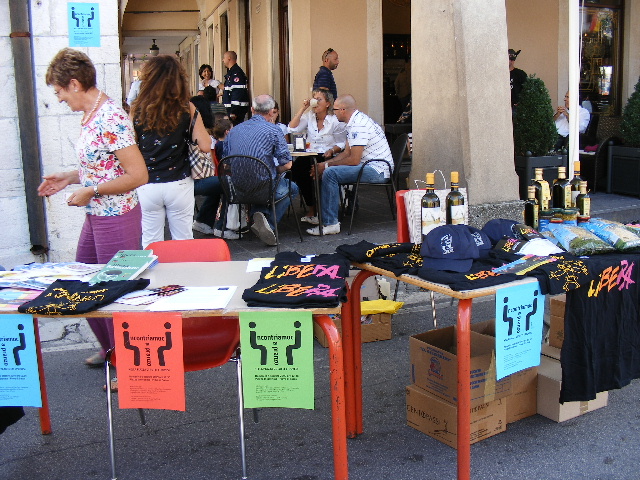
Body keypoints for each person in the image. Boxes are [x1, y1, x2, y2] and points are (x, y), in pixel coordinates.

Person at [39, 48, 148, 376]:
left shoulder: (110, 117)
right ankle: (112, 350)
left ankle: (128, 367)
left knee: (114, 293)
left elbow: (138, 175)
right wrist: (69, 177)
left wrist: (92, 190)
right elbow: (103, 165)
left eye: (59, 91)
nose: (59, 98)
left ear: (74, 84)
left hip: (117, 217)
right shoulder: (93, 114)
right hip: (98, 214)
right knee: (84, 284)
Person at [130, 55, 211, 248]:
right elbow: (205, 146)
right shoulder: (187, 108)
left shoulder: (137, 109)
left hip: (147, 183)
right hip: (179, 182)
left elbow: (130, 146)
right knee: (184, 242)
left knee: (151, 242)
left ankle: (153, 269)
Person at [307, 94, 392, 236]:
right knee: (326, 170)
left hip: (378, 171)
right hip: (371, 166)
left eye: (334, 110)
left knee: (330, 173)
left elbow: (354, 160)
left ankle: (330, 223)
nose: (333, 113)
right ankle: (324, 215)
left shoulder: (359, 125)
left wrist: (327, 167)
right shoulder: (354, 122)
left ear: (342, 110)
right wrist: (324, 164)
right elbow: (347, 152)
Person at [222, 94, 299, 246]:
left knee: (262, 182)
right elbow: (287, 165)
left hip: (237, 189)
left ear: (252, 109)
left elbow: (226, 164)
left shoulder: (234, 131)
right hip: (265, 188)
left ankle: (259, 214)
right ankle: (269, 224)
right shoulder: (274, 130)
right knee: (292, 188)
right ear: (271, 112)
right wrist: (272, 169)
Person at [288, 89, 347, 224]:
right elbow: (292, 128)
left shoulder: (334, 120)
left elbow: (342, 142)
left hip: (328, 155)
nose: (315, 102)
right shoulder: (309, 116)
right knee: (297, 169)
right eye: (314, 99)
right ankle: (312, 206)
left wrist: (332, 150)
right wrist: (303, 108)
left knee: (316, 170)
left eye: (319, 99)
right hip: (310, 154)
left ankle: (322, 208)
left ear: (328, 103)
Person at [188, 95, 224, 237]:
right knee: (228, 182)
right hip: (194, 180)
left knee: (217, 185)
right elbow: (206, 148)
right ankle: (224, 226)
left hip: (183, 178)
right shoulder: (201, 131)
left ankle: (203, 221)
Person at [222, 51, 250, 125]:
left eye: (224, 58)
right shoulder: (231, 73)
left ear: (229, 58)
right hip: (231, 112)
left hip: (236, 114)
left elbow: (237, 92)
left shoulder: (236, 74)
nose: (222, 60)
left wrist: (233, 112)